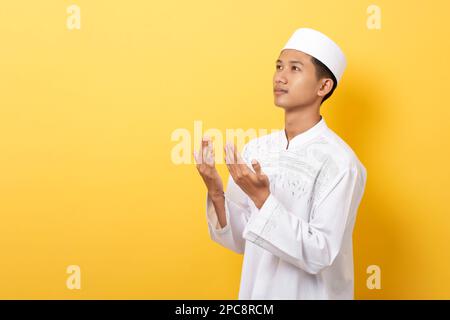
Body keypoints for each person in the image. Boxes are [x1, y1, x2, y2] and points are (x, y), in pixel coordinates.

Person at [194, 27, 367, 299]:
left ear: (323, 86)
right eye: (278, 66)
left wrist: (264, 200)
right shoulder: (257, 150)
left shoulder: (341, 163)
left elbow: (321, 253)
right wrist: (216, 192)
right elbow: (241, 240)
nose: (280, 77)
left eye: (295, 69)